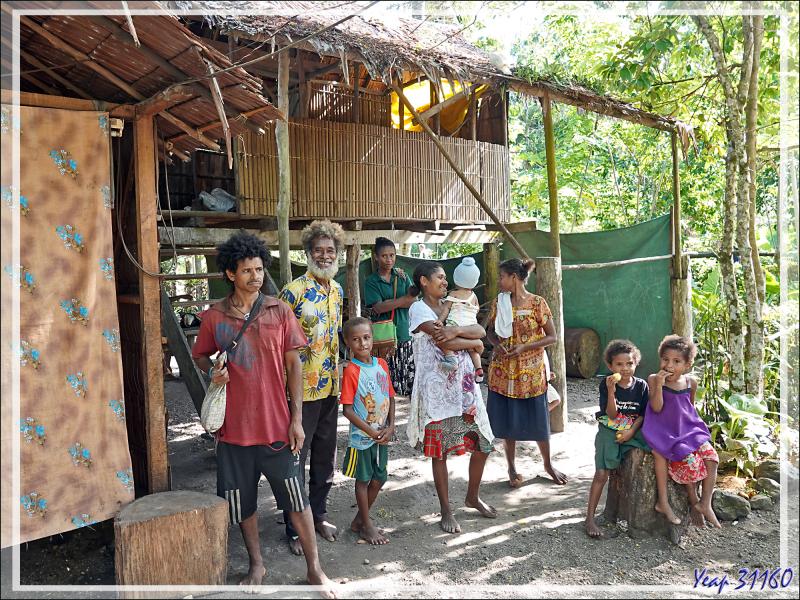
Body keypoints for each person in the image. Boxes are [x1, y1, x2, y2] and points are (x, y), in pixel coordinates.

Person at [191, 232, 333, 594]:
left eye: (258, 269)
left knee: (296, 499)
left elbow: (295, 366)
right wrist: (214, 372)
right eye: (246, 271)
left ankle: (314, 569)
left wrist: (297, 418)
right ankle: (257, 565)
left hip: (276, 427)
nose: (255, 277)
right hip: (233, 432)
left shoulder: (279, 311)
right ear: (229, 274)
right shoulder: (214, 318)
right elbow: (201, 355)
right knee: (243, 503)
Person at [407, 261, 496, 534]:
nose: (445, 282)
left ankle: (472, 496)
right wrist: (475, 344)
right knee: (441, 450)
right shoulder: (418, 309)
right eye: (440, 277)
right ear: (424, 281)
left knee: (484, 442)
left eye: (446, 278)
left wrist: (460, 332)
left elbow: (481, 330)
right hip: (436, 391)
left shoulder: (455, 303)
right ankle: (446, 510)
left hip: (464, 386)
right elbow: (442, 341)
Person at [279, 220, 344, 555]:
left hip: (330, 387)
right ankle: (294, 527)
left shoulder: (337, 291)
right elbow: (278, 345)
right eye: (318, 250)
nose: (324, 255)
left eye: (330, 250)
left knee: (324, 457)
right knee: (296, 459)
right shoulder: (292, 292)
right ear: (307, 253)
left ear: (337, 254)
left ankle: (318, 514)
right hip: (301, 392)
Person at [486, 258, 567, 488]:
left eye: (502, 276)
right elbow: (490, 332)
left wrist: (525, 347)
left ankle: (548, 464)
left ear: (514, 277)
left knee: (539, 421)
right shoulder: (499, 303)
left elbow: (551, 337)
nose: (499, 281)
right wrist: (496, 344)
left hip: (531, 374)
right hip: (504, 373)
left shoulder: (537, 304)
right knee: (507, 421)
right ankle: (511, 467)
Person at [642, 335, 721, 529]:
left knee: (712, 458)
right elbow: (657, 407)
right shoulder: (654, 379)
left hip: (686, 428)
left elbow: (689, 407)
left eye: (676, 361)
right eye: (665, 359)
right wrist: (659, 386)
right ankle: (692, 502)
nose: (669, 365)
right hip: (663, 429)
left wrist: (693, 430)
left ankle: (705, 503)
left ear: (687, 365)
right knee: (690, 463)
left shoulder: (690, 382)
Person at [585, 339, 651, 538]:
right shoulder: (606, 384)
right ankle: (589, 518)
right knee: (602, 474)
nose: (625, 369)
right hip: (610, 427)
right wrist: (612, 391)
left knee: (653, 448)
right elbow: (612, 415)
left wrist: (631, 432)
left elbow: (642, 415)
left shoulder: (641, 386)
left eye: (629, 363)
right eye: (619, 364)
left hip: (632, 427)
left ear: (636, 363)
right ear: (610, 366)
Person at [340, 317, 396, 546]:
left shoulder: (381, 364)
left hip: (382, 435)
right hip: (363, 439)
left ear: (372, 338)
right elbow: (348, 411)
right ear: (348, 343)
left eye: (366, 337)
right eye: (356, 339)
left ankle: (358, 521)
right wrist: (371, 432)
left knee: (379, 477)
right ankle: (366, 525)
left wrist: (391, 426)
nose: (362, 343)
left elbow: (391, 396)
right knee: (363, 480)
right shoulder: (352, 371)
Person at [364, 237, 416, 396]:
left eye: (392, 255)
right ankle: (386, 418)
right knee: (384, 385)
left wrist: (390, 302)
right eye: (384, 256)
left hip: (404, 335)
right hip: (383, 340)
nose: (389, 259)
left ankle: (412, 419)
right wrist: (402, 300)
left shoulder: (402, 276)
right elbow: (378, 308)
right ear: (376, 257)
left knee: (409, 384)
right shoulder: (371, 281)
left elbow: (413, 301)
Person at [442, 257, 484, 381]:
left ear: (456, 278)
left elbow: (446, 309)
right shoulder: (474, 296)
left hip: (455, 324)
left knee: (443, 342)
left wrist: (440, 320)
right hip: (470, 327)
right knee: (473, 351)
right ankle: (479, 369)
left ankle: (452, 361)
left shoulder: (453, 294)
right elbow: (476, 309)